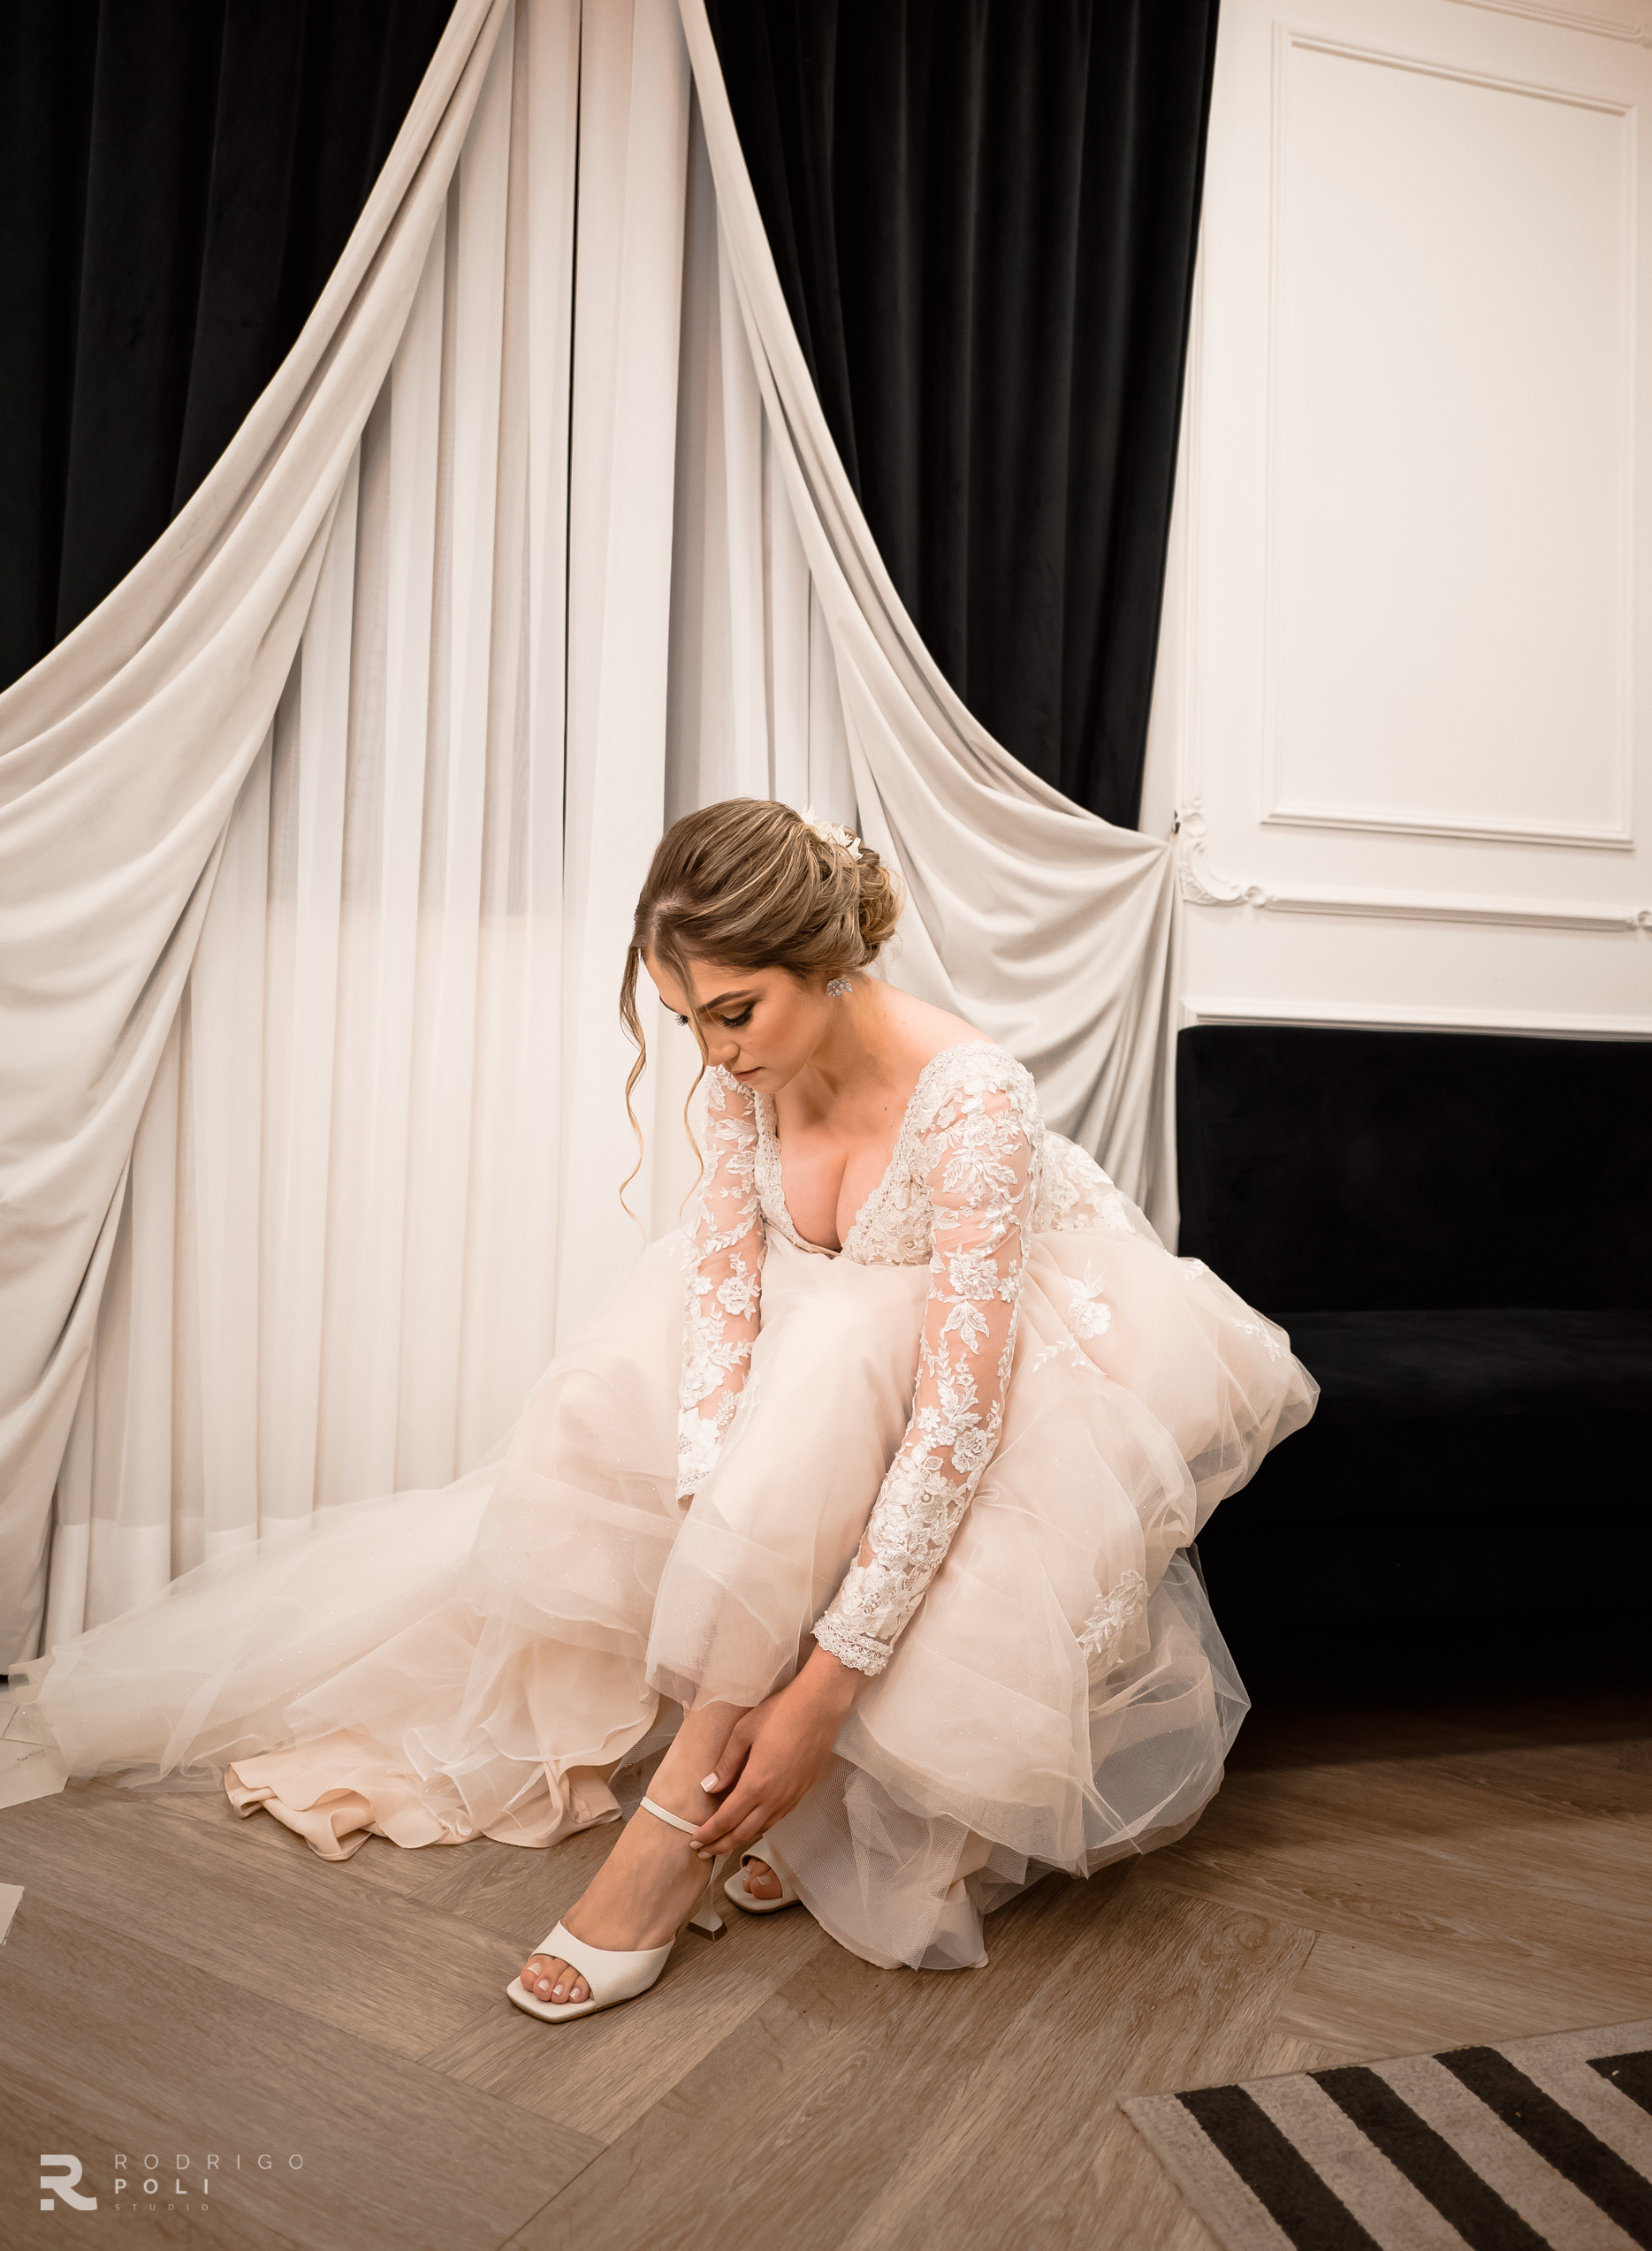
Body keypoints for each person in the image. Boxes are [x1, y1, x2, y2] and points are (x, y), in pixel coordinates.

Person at [14, 798, 1315, 2020]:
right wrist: (720, 1525)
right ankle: (721, 1777)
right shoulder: (741, 1079)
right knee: (629, 1396)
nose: (716, 1053)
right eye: (687, 1020)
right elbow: (722, 1309)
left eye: (735, 1012)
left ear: (828, 964)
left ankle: (676, 1828)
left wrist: (819, 1691)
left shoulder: (974, 1101)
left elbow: (955, 1421)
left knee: (844, 1358)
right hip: (837, 1366)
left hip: (1017, 1371)